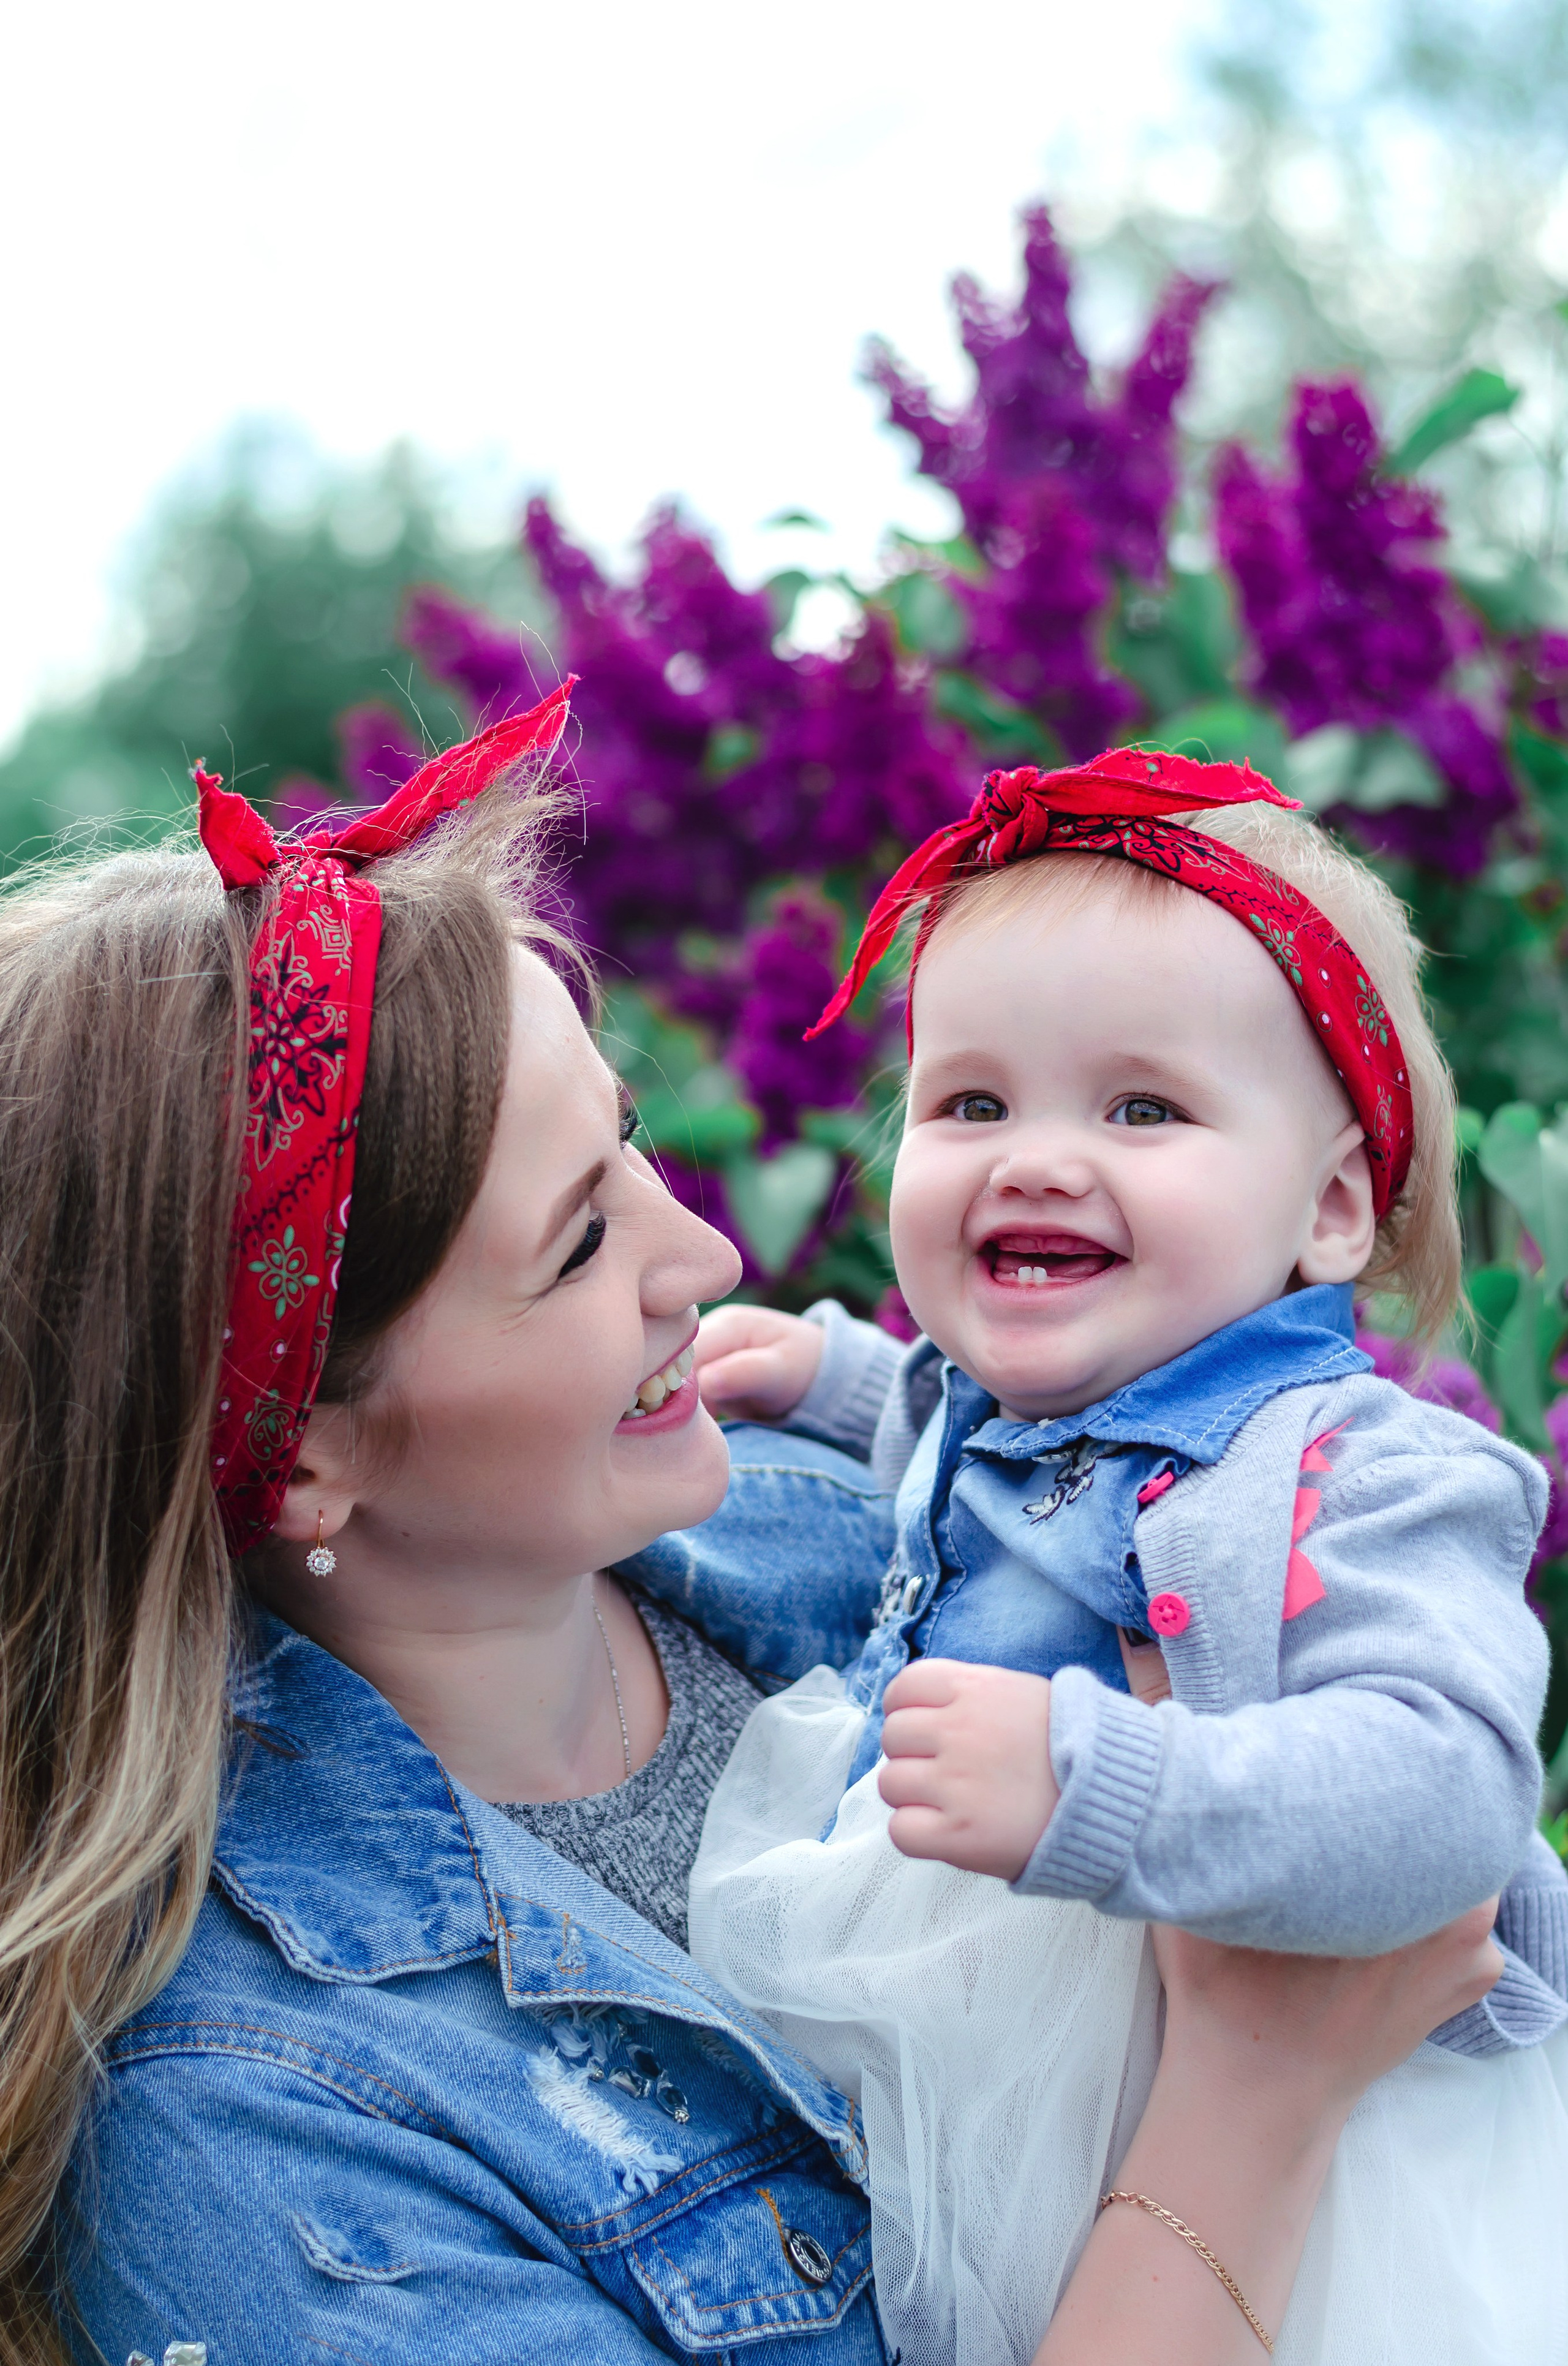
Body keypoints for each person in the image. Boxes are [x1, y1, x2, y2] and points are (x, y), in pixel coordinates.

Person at [0, 694, 1502, 2366]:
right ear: (307, 1458)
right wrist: (1257, 2090)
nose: (710, 1257)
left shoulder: (851, 1530)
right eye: (580, 1244)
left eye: (630, 1137)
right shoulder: (270, 2143)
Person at [674, 746, 1568, 2366]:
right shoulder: (1026, 1393)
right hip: (976, 2058)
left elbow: (1453, 1791)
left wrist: (1111, 1784)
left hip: (1282, 2131)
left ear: (1332, 1212)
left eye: (1142, 1107)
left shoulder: (1366, 1476)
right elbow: (970, 1438)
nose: (1032, 1157)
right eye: (971, 1103)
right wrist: (835, 1376)